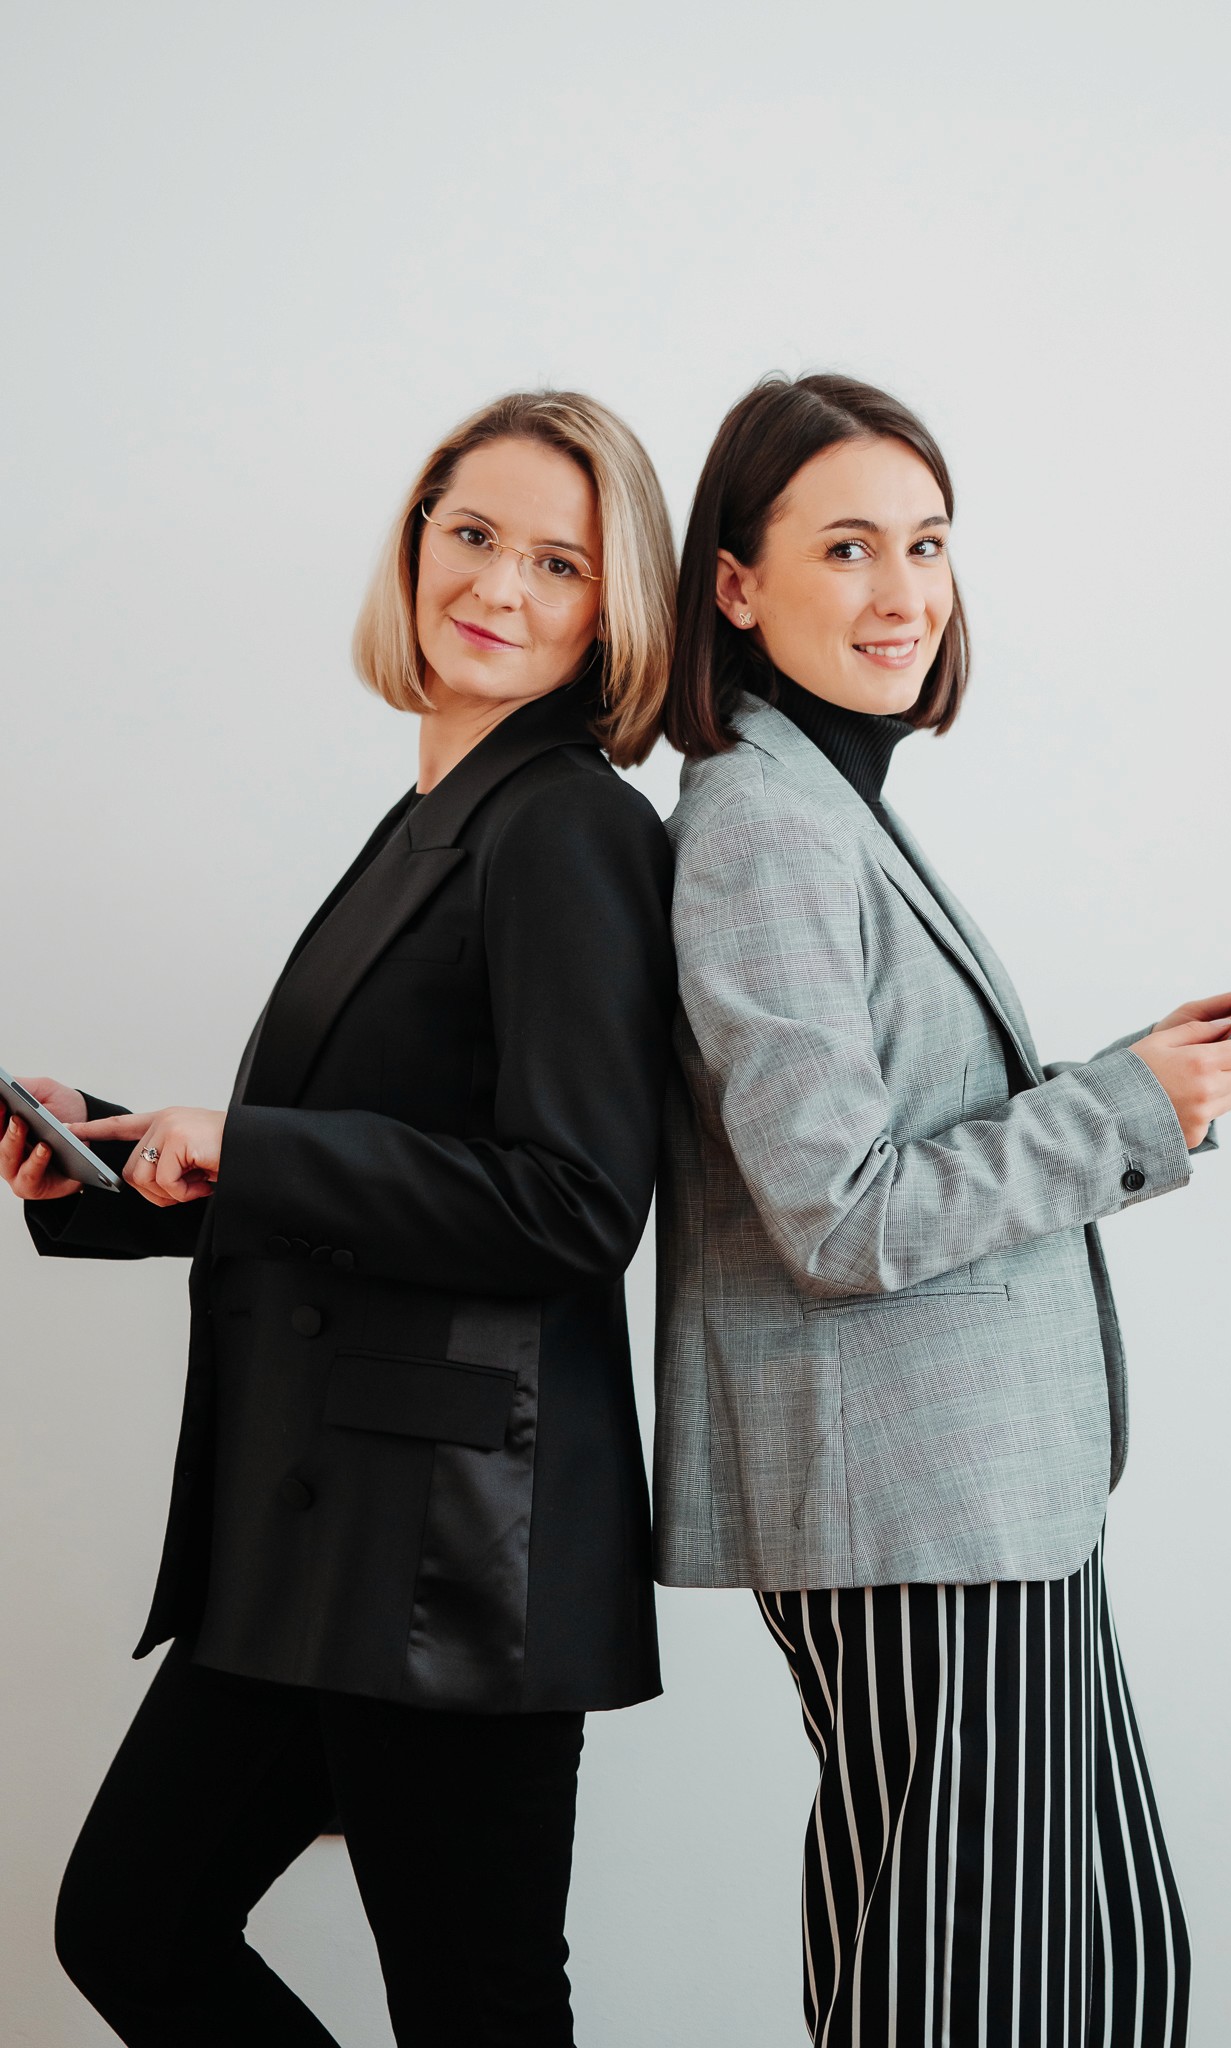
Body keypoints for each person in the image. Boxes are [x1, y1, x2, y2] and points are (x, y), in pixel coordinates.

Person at [2, 389, 677, 2048]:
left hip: (457, 1554)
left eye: (557, 563)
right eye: (473, 537)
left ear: (616, 608)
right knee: (134, 1926)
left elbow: (577, 1206)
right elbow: (356, 1161)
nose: (500, 588)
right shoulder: (432, 819)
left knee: (476, 2011)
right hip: (322, 1541)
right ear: (415, 543)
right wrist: (133, 1163)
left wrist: (254, 1148)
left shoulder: (573, 825)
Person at [654, 371, 1231, 2048]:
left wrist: (1135, 1077)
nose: (903, 592)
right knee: (973, 1999)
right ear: (734, 583)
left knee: (1103, 1971)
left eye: (926, 544)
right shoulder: (760, 827)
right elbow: (839, 1216)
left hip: (991, 1508)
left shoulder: (834, 804)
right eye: (847, 546)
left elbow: (901, 1136)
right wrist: (1123, 1112)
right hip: (918, 1522)